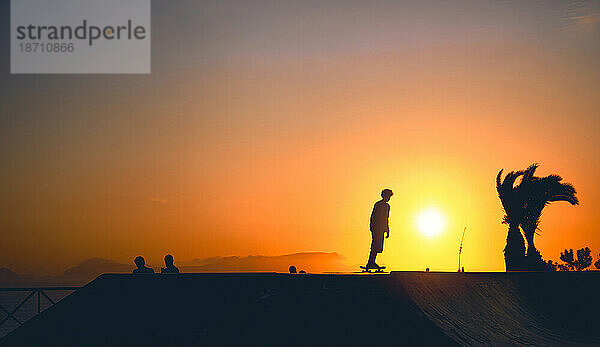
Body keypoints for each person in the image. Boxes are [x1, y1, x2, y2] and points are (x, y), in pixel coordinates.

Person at [366, 189, 393, 269]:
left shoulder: (387, 206)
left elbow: (386, 218)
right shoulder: (378, 204)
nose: (389, 198)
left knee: (378, 246)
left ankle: (371, 262)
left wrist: (387, 229)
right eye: (388, 196)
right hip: (376, 228)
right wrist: (373, 227)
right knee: (375, 245)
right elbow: (373, 216)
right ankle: (370, 263)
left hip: (380, 229)